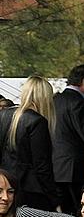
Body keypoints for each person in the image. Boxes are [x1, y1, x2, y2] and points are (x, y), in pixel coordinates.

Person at [0, 75, 60, 210]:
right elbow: (42, 165)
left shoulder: (4, 115)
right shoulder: (38, 121)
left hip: (5, 186)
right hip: (30, 191)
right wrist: (54, 198)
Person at [53, 64, 84, 213]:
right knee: (82, 210)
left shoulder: (55, 100)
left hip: (57, 166)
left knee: (66, 212)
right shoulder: (79, 103)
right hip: (76, 167)